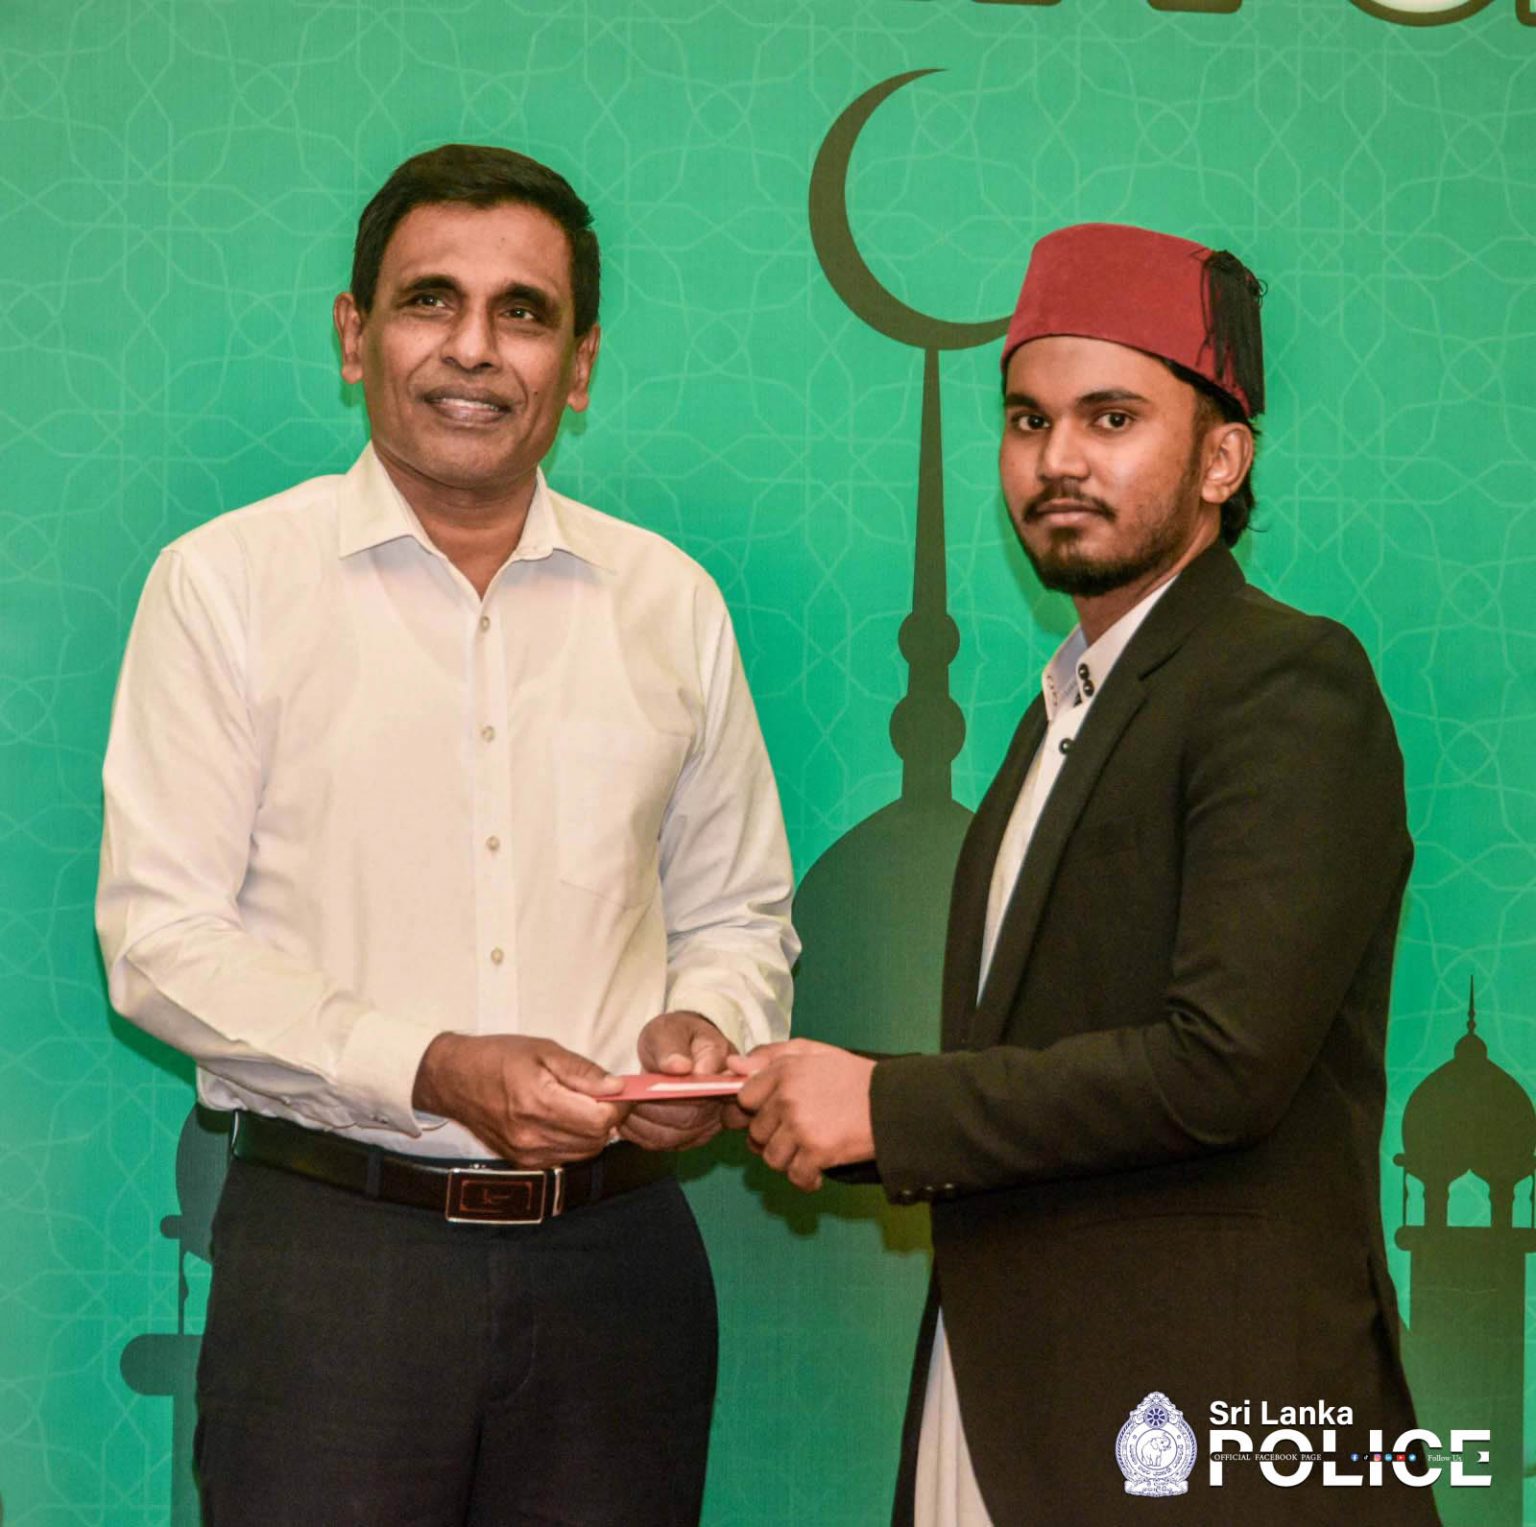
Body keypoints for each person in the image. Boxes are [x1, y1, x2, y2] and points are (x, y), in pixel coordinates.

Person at [96, 143, 797, 1526]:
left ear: (578, 367)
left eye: (523, 313)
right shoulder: (225, 586)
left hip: (619, 1269)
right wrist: (431, 1067)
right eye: (431, 300)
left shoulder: (671, 604)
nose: (474, 349)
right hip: (336, 1262)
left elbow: (736, 913)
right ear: (354, 335)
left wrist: (705, 1030)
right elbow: (159, 943)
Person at [731, 224, 1438, 1524]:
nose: (1057, 458)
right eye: (1028, 420)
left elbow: (1221, 1068)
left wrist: (888, 1106)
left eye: (1111, 418)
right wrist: (796, 1098)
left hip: (1196, 1427)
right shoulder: (1064, 705)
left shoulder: (1282, 681)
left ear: (1222, 460)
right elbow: (1051, 1056)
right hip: (1013, 1398)